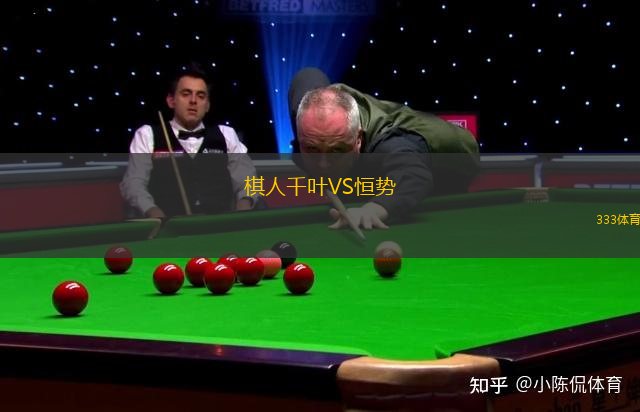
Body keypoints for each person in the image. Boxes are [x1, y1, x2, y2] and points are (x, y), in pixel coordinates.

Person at [288, 67, 480, 231]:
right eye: (312, 148)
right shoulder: (307, 113)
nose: (322, 164)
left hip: (452, 162)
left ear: (358, 139)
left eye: (337, 150)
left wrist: (373, 209)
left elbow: (414, 175)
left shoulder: (388, 143)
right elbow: (308, 75)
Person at [120, 65, 262, 218]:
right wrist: (152, 211)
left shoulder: (226, 134)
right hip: (169, 225)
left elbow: (250, 180)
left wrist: (244, 204)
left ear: (207, 105)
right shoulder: (147, 135)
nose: (193, 101)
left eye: (201, 96)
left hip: (221, 223)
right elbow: (133, 184)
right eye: (186, 94)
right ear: (171, 100)